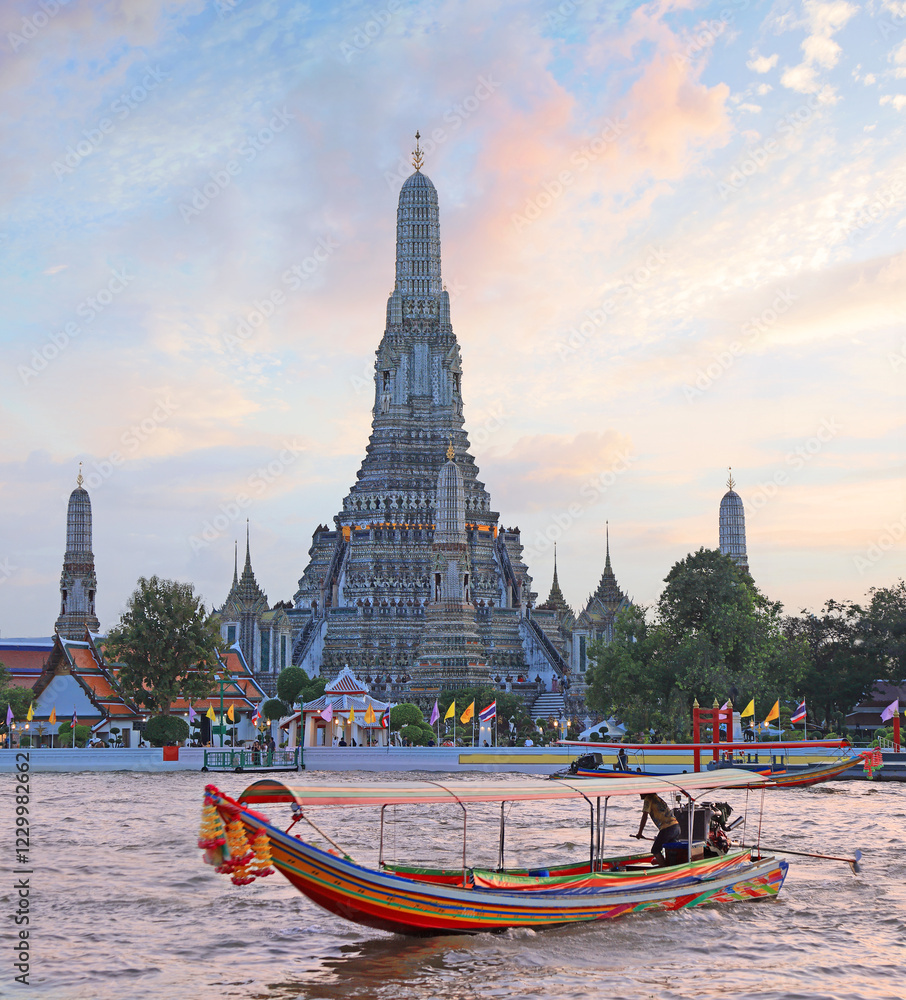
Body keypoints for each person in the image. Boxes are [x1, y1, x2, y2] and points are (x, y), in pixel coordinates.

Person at [635, 793, 682, 866]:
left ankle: (664, 869)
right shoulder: (657, 798)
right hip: (676, 827)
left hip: (668, 828)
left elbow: (645, 816)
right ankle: (671, 866)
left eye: (641, 793)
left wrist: (640, 833)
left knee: (655, 850)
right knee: (670, 849)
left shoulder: (648, 799)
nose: (640, 794)